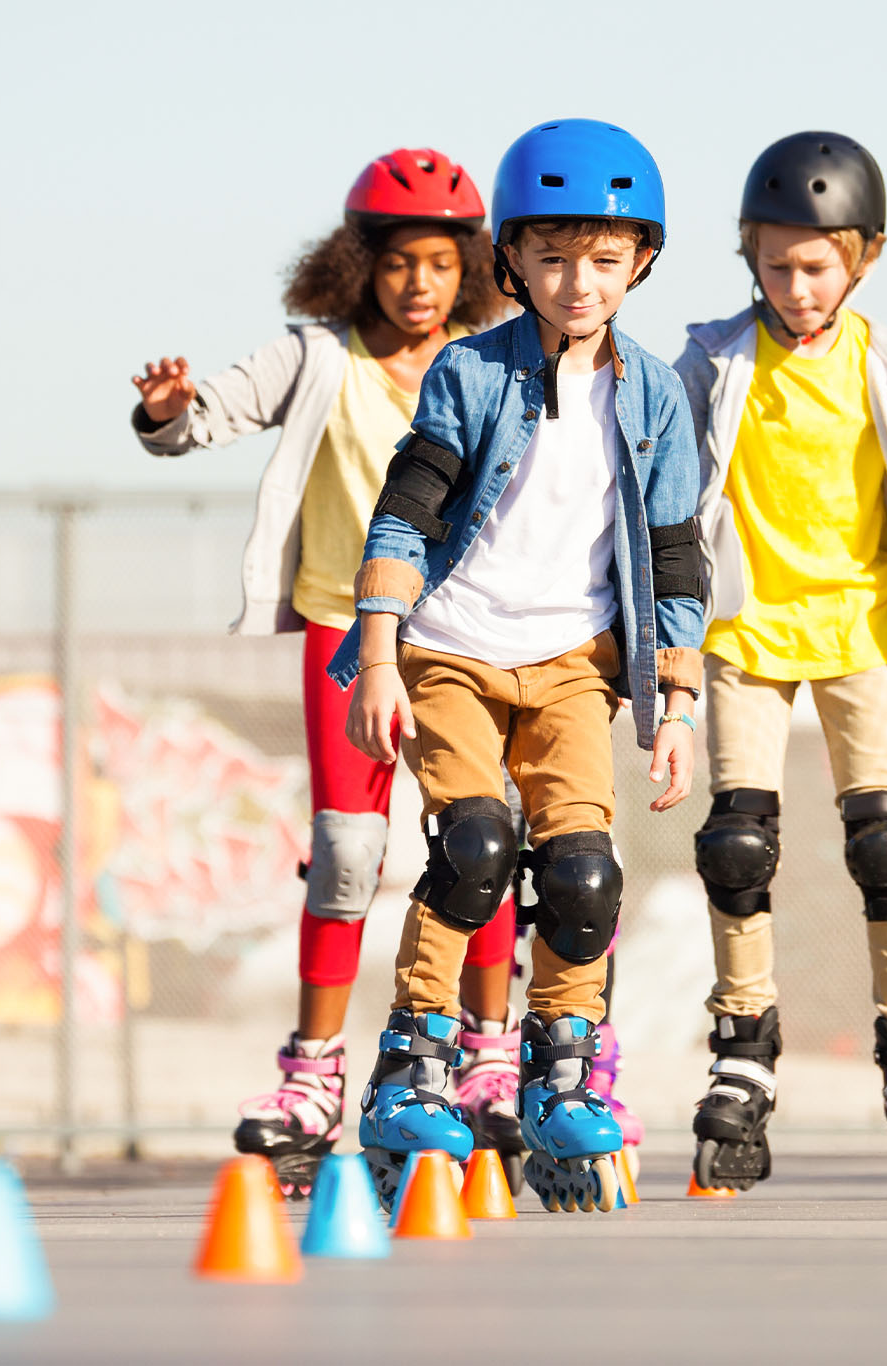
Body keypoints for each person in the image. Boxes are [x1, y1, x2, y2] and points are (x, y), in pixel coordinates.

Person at [127, 148, 525, 1195]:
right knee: (346, 854)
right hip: (344, 634)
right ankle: (312, 1079)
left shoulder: (494, 358)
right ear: (357, 266)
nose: (419, 284)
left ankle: (488, 1058)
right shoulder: (315, 358)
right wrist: (169, 410)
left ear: (469, 269)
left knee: (476, 841)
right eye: (397, 263)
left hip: (459, 638)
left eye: (440, 262)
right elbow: (202, 415)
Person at [329, 118, 705, 1214]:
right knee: (477, 847)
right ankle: (417, 1053)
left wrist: (674, 705)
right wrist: (385, 654)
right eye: (548, 257)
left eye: (600, 259)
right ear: (510, 259)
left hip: (575, 666)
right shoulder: (469, 372)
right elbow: (405, 513)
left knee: (583, 873)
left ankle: (561, 1068)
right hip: (449, 650)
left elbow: (678, 557)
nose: (575, 282)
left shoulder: (654, 398)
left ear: (639, 260)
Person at [673, 132, 887, 1201]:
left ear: (864, 259)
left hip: (858, 628)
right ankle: (743, 1039)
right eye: (774, 265)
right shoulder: (712, 360)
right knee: (735, 843)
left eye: (816, 266)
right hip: (744, 630)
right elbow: (666, 499)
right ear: (747, 258)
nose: (795, 286)